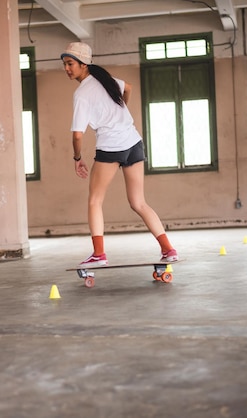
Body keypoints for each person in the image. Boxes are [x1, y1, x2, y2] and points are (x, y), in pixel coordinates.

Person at [61, 42, 179, 267]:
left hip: (111, 147)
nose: (67, 69)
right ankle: (169, 249)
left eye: (70, 64)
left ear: (83, 64)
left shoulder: (82, 94)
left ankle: (98, 255)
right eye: (65, 64)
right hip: (134, 142)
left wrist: (77, 158)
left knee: (95, 200)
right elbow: (129, 88)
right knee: (139, 202)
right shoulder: (107, 80)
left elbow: (77, 135)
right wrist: (121, 112)